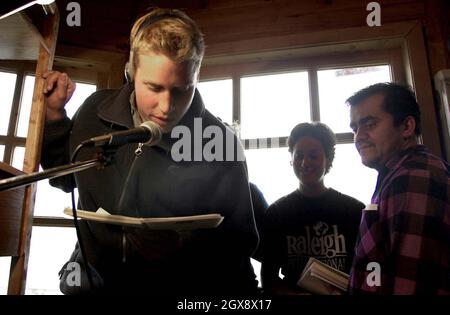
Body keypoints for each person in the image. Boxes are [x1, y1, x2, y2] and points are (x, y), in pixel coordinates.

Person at [41, 8, 258, 295]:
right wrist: (54, 120)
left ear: (196, 76)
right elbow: (64, 178)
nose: (167, 107)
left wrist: (183, 244)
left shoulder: (222, 143)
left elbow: (241, 242)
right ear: (132, 71)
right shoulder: (93, 112)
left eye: (182, 90)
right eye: (153, 88)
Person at [347, 82, 450, 294]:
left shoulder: (413, 177)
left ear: (406, 127)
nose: (359, 136)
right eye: (356, 128)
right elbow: (378, 266)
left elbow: (411, 283)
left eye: (370, 124)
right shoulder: (395, 175)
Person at [260, 122, 365, 295]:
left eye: (313, 156)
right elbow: (269, 279)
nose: (305, 162)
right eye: (299, 155)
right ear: (291, 159)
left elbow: (367, 270)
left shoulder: (353, 210)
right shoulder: (278, 212)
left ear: (328, 159)